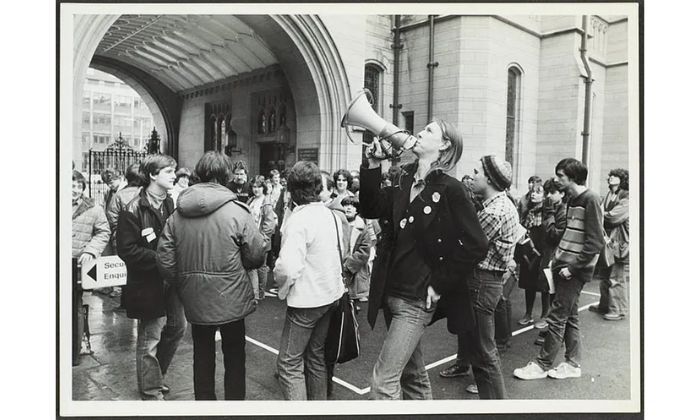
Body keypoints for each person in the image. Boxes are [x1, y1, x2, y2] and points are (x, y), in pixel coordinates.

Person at [360, 119, 488, 400]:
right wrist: (371, 164)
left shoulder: (451, 189)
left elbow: (477, 244)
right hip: (391, 293)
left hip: (415, 299)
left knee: (383, 383)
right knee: (412, 377)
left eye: (429, 130)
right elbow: (370, 207)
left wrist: (439, 284)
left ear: (444, 145)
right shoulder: (404, 180)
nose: (419, 132)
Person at [156, 151, 269, 400]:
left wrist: (185, 281)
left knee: (202, 355)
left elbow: (164, 259)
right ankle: (233, 409)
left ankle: (205, 407)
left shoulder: (177, 214)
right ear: (225, 175)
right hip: (232, 298)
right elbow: (255, 256)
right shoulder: (238, 211)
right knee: (235, 358)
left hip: (195, 297)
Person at [514, 157, 605, 380]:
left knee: (556, 318)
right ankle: (572, 364)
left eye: (561, 176)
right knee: (569, 317)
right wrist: (557, 259)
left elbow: (595, 242)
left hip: (572, 270)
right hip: (563, 266)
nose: (556, 179)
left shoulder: (590, 199)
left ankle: (542, 364)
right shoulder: (572, 199)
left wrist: (572, 268)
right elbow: (570, 235)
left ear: (573, 178)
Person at [273, 161, 346, 400]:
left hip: (307, 301)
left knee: (289, 363)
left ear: (292, 189)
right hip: (330, 295)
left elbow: (287, 267)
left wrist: (281, 286)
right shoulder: (330, 214)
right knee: (315, 358)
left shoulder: (298, 219)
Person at [116, 154, 186, 400]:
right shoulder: (132, 208)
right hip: (147, 283)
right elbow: (126, 250)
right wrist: (161, 259)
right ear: (153, 175)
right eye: (168, 171)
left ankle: (156, 377)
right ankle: (150, 389)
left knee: (177, 328)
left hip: (170, 281)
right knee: (150, 337)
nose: (173, 176)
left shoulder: (169, 202)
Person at [72, 170, 110, 366]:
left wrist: (91, 251)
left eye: (79, 186)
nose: (75, 190)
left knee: (75, 307)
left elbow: (103, 232)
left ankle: (73, 352)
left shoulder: (93, 208)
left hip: (77, 264)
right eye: (71, 185)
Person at [589, 169, 630, 321]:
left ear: (622, 180)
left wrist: (600, 213)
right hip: (609, 241)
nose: (611, 178)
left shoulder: (627, 198)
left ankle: (619, 309)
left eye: (616, 176)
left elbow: (613, 218)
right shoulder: (610, 195)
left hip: (620, 243)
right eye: (611, 176)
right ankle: (605, 305)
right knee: (605, 275)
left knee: (616, 277)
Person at [105, 162, 143, 301]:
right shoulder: (146, 193)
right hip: (143, 240)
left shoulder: (119, 195)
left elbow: (112, 217)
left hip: (122, 240)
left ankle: (125, 300)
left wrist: (118, 233)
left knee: (124, 270)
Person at [516, 182, 550, 329]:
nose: (534, 194)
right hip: (528, 252)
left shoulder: (547, 212)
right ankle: (528, 314)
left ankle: (545, 315)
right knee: (528, 283)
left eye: (538, 192)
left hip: (542, 252)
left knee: (544, 285)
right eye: (532, 192)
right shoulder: (527, 210)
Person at [247, 175, 278, 301]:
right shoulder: (251, 200)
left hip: (260, 239)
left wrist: (264, 240)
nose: (256, 189)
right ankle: (255, 293)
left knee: (261, 266)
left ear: (263, 188)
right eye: (254, 187)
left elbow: (269, 223)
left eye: (259, 187)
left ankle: (260, 292)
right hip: (251, 238)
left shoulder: (266, 202)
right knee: (253, 266)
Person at [341, 195, 373, 305]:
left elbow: (364, 251)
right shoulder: (338, 225)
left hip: (355, 271)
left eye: (352, 206)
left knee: (353, 304)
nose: (349, 208)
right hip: (338, 269)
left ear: (357, 210)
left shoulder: (362, 228)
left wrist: (348, 265)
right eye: (346, 205)